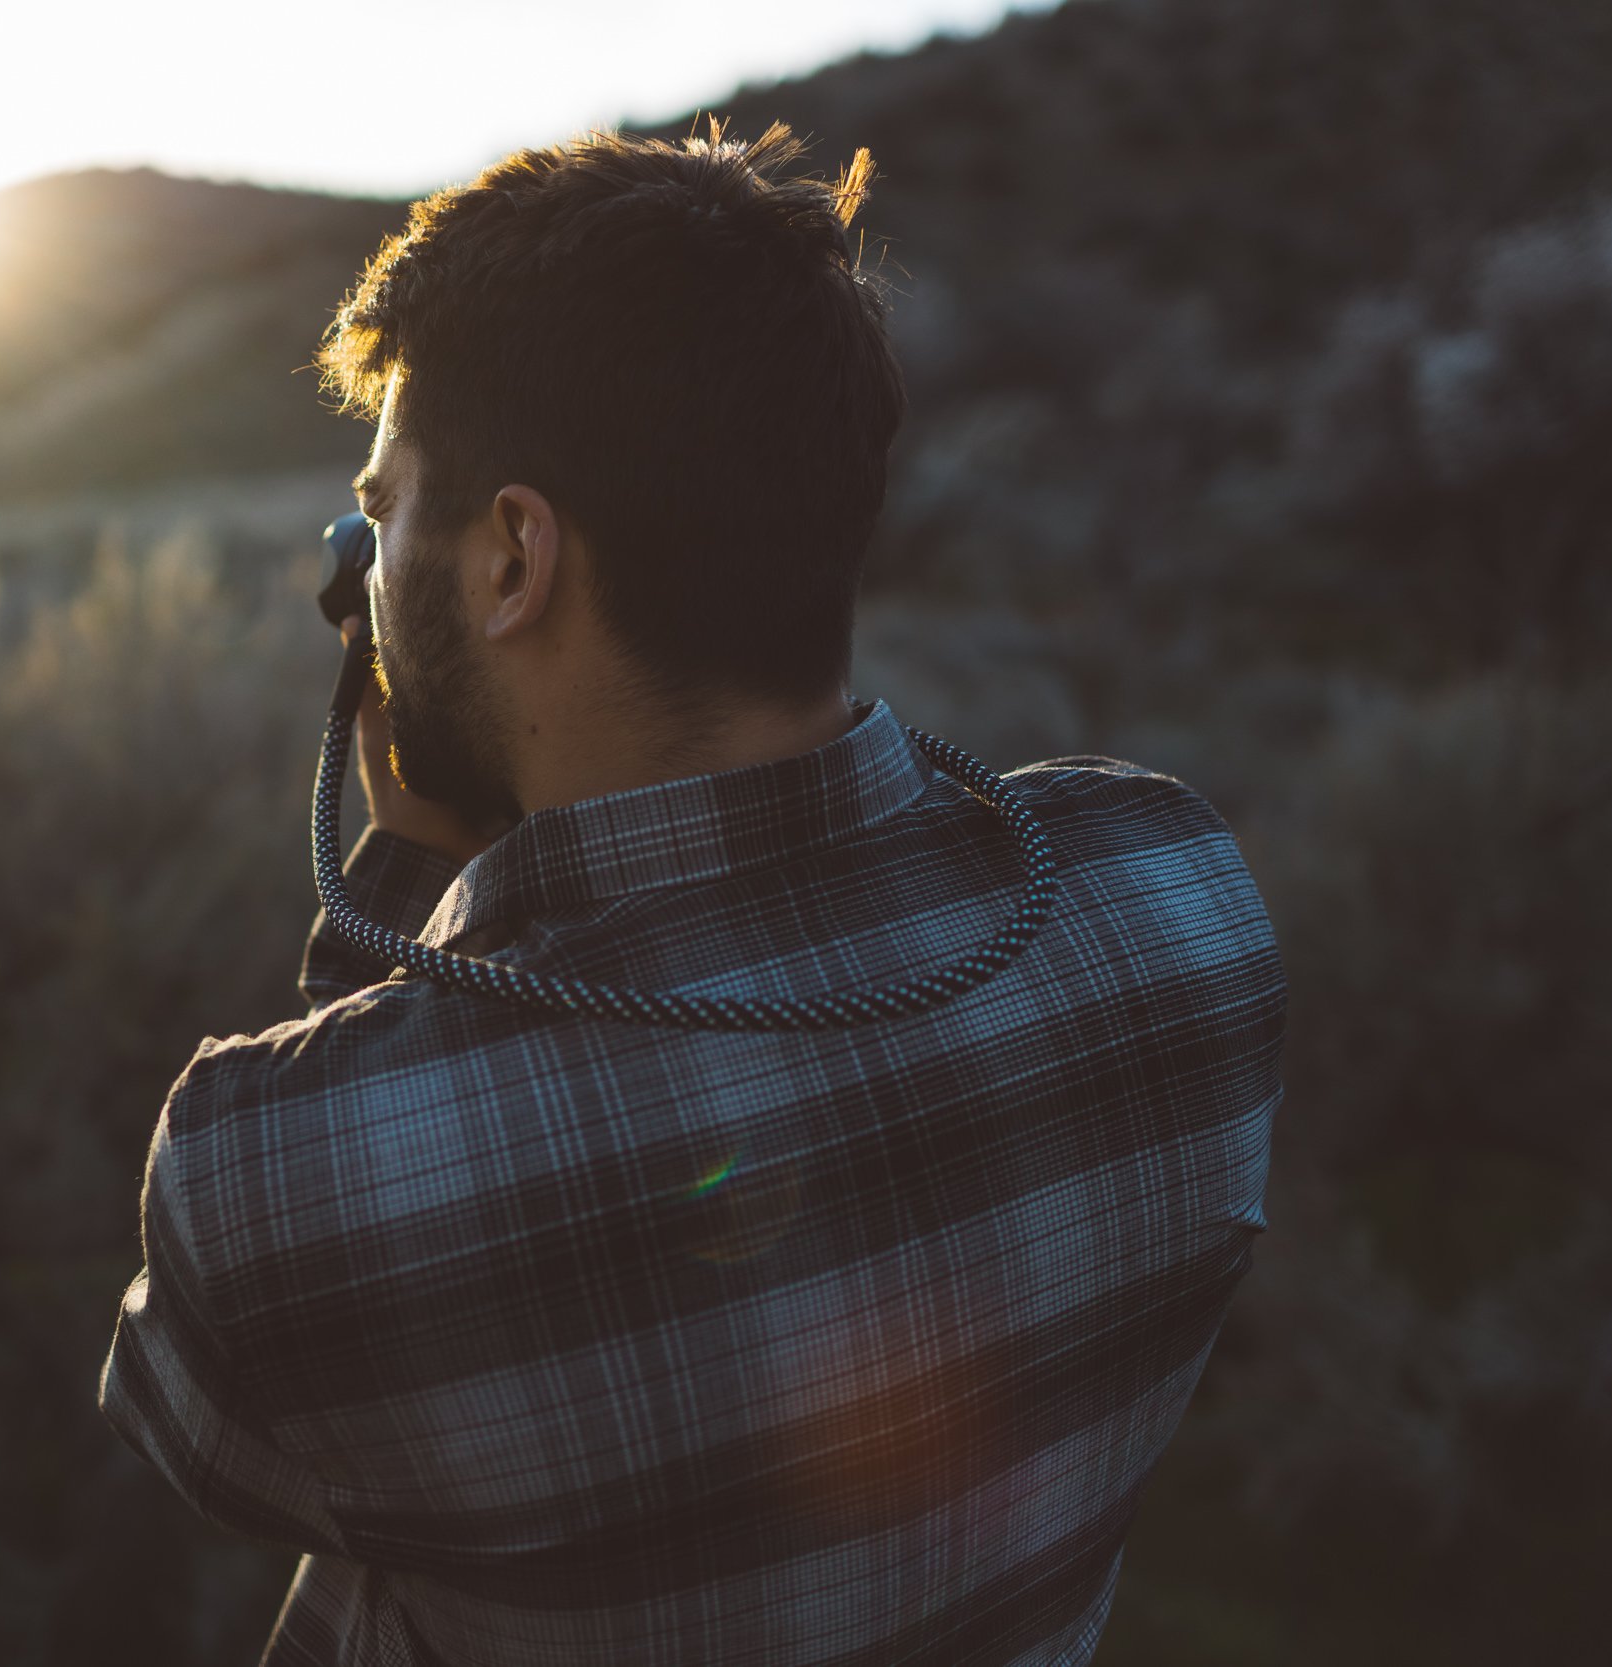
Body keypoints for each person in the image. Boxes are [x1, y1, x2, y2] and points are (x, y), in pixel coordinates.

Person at [99, 118, 1283, 1667]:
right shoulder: (1174, 898)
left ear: (513, 559)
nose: (358, 575)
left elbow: (222, 1434)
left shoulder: (273, 1174)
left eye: (379, 514)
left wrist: (407, 891)